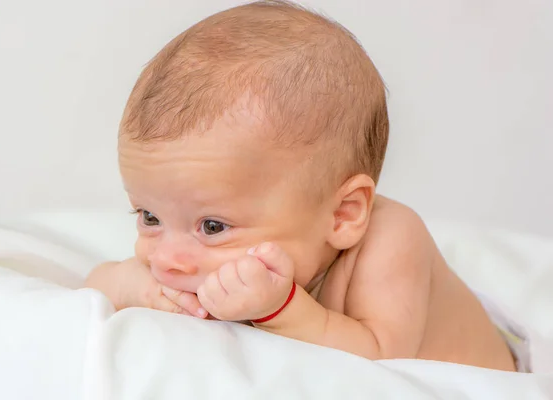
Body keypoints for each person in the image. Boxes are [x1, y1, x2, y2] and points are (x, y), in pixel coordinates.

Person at [86, 0, 524, 372]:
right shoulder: (183, 252)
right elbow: (98, 282)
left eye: (214, 226)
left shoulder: (391, 242)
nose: (168, 259)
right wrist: (138, 288)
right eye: (149, 217)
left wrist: (282, 309)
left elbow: (383, 360)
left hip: (488, 366)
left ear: (343, 215)